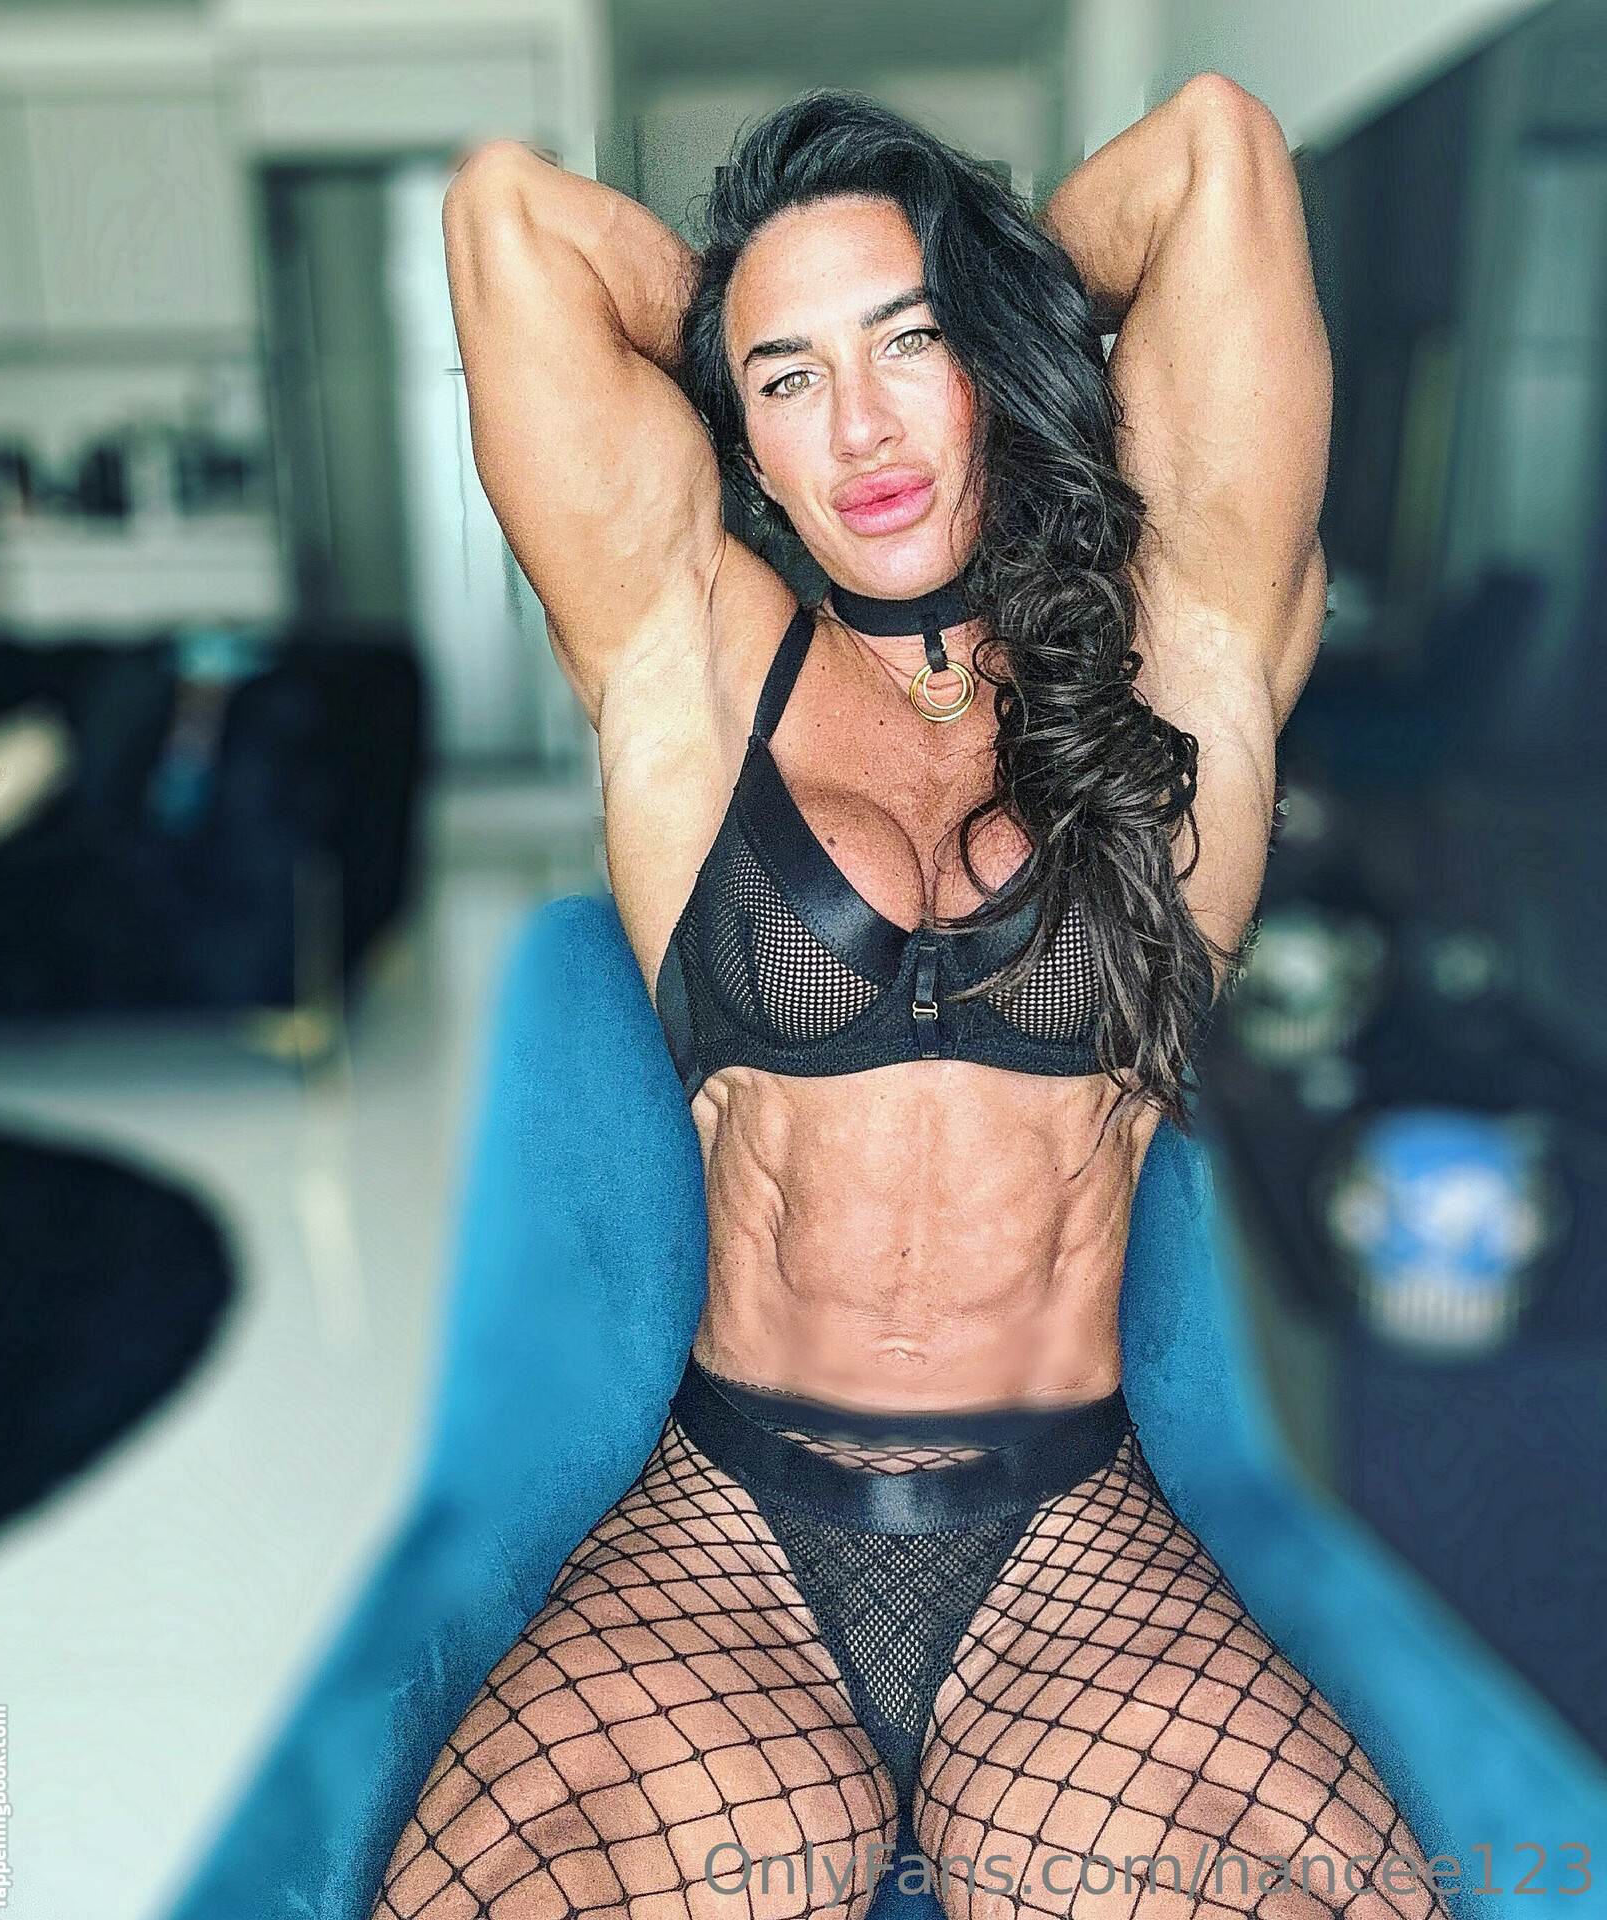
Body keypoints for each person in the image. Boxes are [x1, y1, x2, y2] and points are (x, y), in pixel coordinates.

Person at [371, 86, 1451, 1920]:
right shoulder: (689, 661)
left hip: (1069, 1553)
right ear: (742, 431)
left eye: (911, 343)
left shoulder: (1179, 651)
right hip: (726, 1540)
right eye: (788, 380)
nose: (858, 426)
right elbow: (505, 218)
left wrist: (986, 277)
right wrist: (755, 306)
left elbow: (1213, 153)